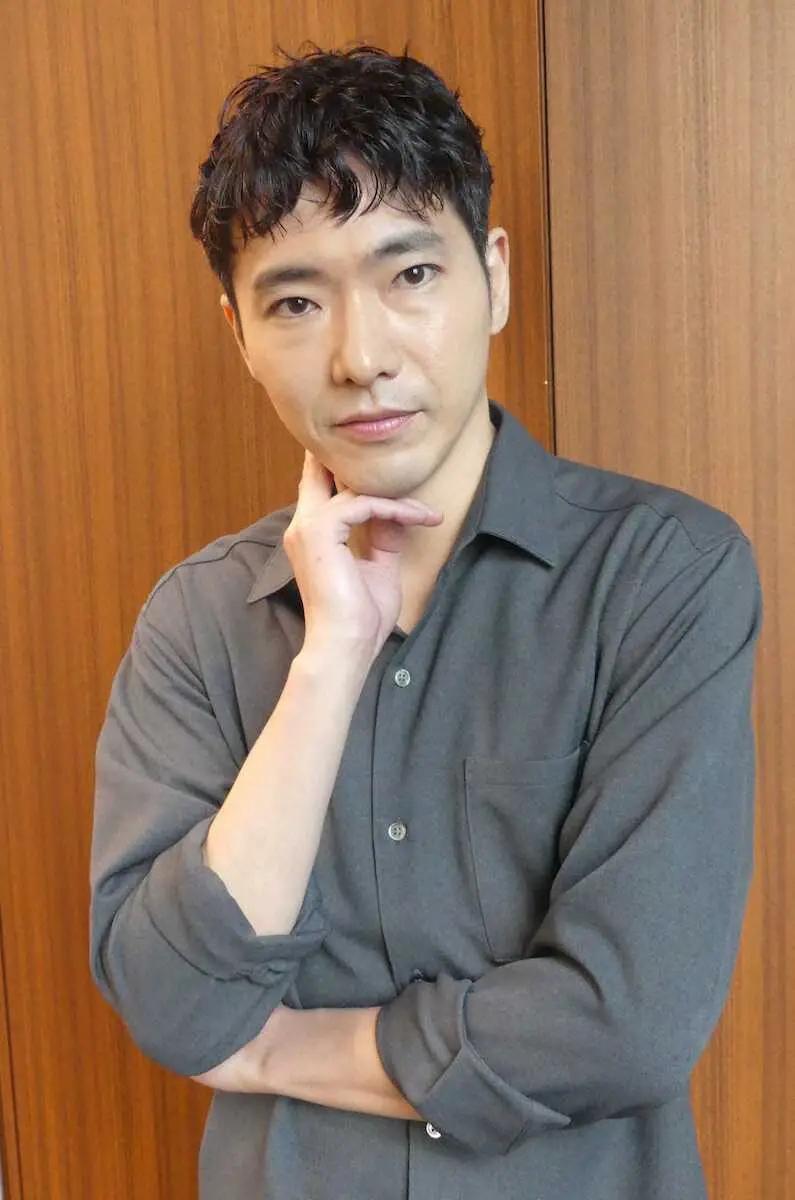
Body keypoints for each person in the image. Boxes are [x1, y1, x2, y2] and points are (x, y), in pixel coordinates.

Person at [89, 45, 761, 1200]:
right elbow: (173, 1007)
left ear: (492, 278)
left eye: (409, 273)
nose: (361, 357)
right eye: (296, 302)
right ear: (239, 333)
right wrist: (328, 662)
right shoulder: (198, 622)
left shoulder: (663, 574)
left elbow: (629, 1022)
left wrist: (278, 1052)